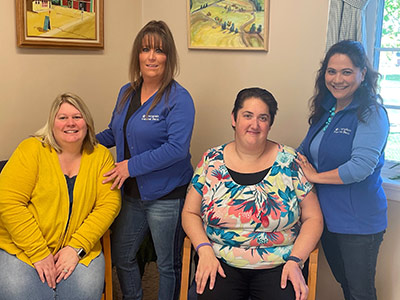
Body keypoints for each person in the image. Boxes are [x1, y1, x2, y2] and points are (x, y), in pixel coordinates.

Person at [182, 87, 323, 300]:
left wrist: (296, 260)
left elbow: (313, 217)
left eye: (263, 118)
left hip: (280, 264)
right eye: (247, 115)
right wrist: (203, 250)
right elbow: (190, 213)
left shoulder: (290, 161)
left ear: (270, 124)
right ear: (234, 118)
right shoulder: (212, 160)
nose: (254, 125)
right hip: (220, 260)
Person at [96, 20, 195, 300]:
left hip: (167, 196)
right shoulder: (126, 92)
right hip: (131, 194)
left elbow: (177, 148)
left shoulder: (179, 98)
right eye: (145, 49)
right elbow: (116, 132)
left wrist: (130, 166)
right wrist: (81, 138)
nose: (152, 57)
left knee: (167, 265)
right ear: (137, 55)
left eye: (159, 51)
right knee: (121, 255)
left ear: (169, 57)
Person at [0, 93, 121, 300]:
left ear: (87, 123)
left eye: (77, 116)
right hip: (23, 247)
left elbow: (108, 205)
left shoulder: (101, 157)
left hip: (80, 249)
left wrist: (76, 248)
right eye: (62, 117)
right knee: (19, 292)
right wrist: (39, 252)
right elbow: (9, 201)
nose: (70, 123)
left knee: (83, 292)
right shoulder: (31, 150)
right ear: (52, 123)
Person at [297, 40, 389, 300]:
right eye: (331, 71)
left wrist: (315, 176)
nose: (338, 79)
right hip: (326, 219)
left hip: (358, 223)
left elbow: (361, 167)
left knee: (360, 293)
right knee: (346, 286)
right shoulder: (326, 110)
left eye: (347, 72)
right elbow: (303, 153)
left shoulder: (371, 113)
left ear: (362, 74)